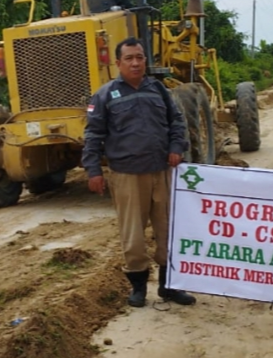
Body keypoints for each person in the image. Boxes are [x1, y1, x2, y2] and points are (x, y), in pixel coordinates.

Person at [82, 37, 195, 308]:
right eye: (129, 58)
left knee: (168, 232)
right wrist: (93, 171)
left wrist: (176, 146)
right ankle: (138, 288)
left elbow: (176, 122)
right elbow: (93, 135)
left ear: (146, 60)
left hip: (162, 173)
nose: (135, 63)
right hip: (127, 176)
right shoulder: (105, 95)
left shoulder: (158, 89)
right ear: (118, 63)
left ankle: (169, 287)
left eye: (140, 57)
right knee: (133, 237)